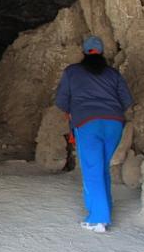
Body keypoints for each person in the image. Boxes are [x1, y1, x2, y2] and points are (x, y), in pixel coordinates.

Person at [54, 36, 133, 233]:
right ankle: (103, 211)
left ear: (84, 52)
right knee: (102, 167)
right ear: (102, 52)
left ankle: (98, 219)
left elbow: (61, 100)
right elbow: (127, 99)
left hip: (88, 122)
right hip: (114, 123)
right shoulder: (112, 74)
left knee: (91, 170)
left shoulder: (72, 72)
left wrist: (74, 109)